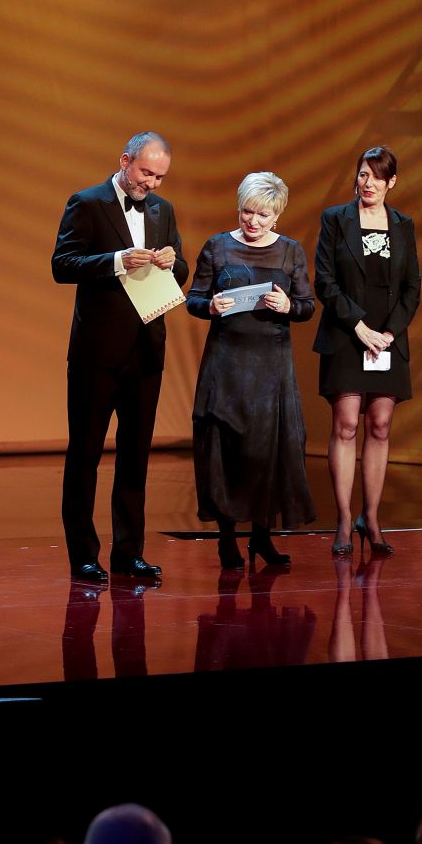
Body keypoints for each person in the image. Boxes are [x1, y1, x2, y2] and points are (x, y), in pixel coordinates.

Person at [51, 132, 187, 584]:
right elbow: (62, 264)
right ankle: (83, 556)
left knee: (135, 458)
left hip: (146, 351)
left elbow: (181, 269)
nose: (152, 183)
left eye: (160, 177)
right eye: (146, 173)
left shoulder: (163, 210)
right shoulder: (87, 203)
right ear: (125, 160)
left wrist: (173, 262)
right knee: (85, 455)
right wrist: (115, 261)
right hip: (97, 352)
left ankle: (130, 553)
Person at [186, 171, 315, 569]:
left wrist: (288, 307)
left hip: (271, 367)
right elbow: (193, 298)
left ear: (277, 216)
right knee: (226, 448)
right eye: (247, 212)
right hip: (227, 363)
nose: (253, 221)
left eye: (263, 215)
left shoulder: (290, 251)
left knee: (266, 451)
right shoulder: (217, 247)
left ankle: (261, 536)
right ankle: (227, 538)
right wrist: (210, 306)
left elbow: (307, 306)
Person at [313, 146, 420, 556]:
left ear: (392, 182)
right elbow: (325, 281)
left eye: (376, 176)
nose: (368, 183)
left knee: (380, 425)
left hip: (387, 338)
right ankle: (343, 519)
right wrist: (359, 326)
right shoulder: (335, 219)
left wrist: (389, 333)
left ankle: (370, 517)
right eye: (362, 174)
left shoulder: (403, 225)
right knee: (345, 426)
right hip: (347, 332)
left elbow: (412, 287)